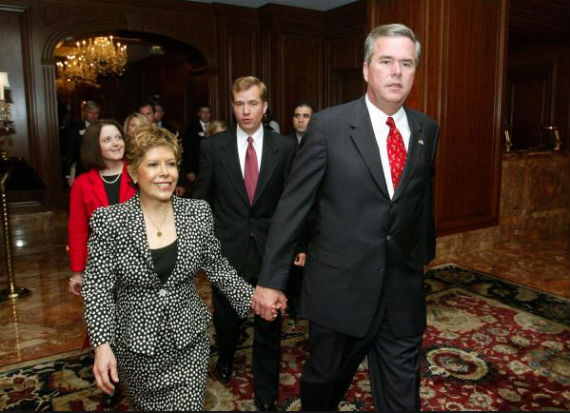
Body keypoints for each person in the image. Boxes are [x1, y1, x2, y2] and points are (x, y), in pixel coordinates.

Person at [252, 23, 439, 411]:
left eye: (406, 63)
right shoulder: (329, 126)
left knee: (403, 400)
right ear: (367, 68)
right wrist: (271, 280)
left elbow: (419, 200)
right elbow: (293, 206)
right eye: (386, 61)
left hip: (401, 295)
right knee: (322, 392)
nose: (397, 71)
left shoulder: (426, 129)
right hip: (340, 295)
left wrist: (421, 257)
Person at [82, 124, 263, 411]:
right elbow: (97, 287)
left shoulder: (197, 213)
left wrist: (253, 297)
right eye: (153, 164)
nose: (164, 172)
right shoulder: (109, 221)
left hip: (188, 342)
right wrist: (102, 344)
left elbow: (217, 265)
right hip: (137, 348)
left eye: (170, 163)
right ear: (132, 172)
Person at [193, 76, 298, 411]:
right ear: (233, 105)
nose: (246, 110)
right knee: (227, 321)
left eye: (253, 103)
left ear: (265, 107)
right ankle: (225, 354)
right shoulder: (213, 147)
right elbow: (202, 200)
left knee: (269, 325)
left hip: (270, 251)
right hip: (228, 252)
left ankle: (265, 396)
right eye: (239, 103)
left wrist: (298, 245)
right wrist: (200, 244)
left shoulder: (285, 148)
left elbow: (292, 203)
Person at [68, 119, 136, 296]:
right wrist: (77, 272)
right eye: (107, 140)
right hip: (101, 268)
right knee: (106, 321)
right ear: (94, 146)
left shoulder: (139, 173)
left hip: (141, 264)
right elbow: (78, 231)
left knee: (143, 321)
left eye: (118, 137)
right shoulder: (82, 184)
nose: (116, 144)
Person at [64, 100, 101, 186]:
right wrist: (68, 174)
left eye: (96, 113)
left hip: (101, 170)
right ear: (85, 113)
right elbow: (70, 151)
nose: (93, 116)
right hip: (82, 171)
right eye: (90, 112)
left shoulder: (103, 128)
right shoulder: (75, 129)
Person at [182, 104, 211, 188]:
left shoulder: (214, 127)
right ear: (199, 114)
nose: (205, 114)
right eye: (203, 112)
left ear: (210, 114)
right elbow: (188, 150)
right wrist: (189, 170)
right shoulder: (191, 128)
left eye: (207, 112)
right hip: (197, 169)